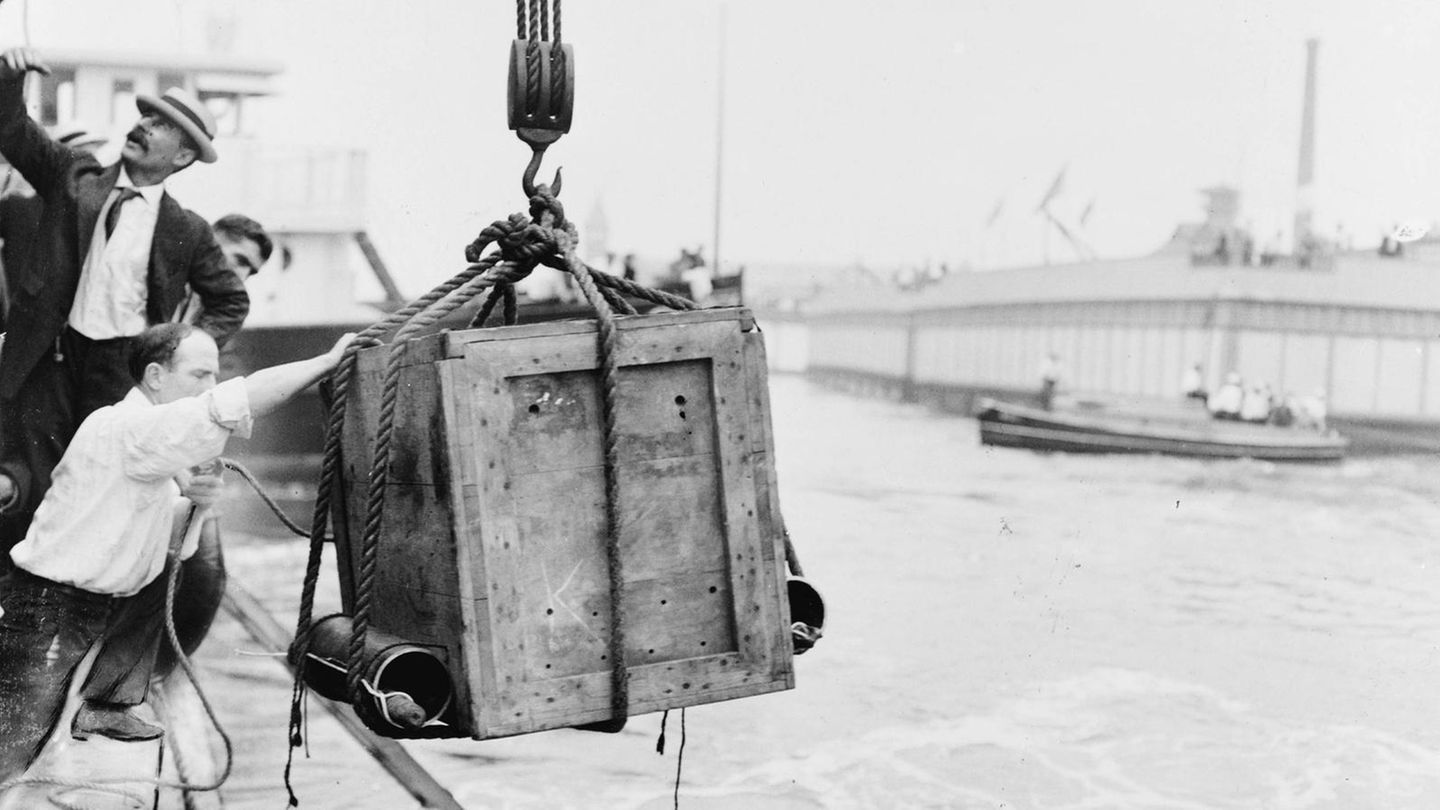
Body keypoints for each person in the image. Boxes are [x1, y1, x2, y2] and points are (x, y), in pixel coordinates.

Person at [0, 323, 355, 777]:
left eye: (213, 376)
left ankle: (107, 704)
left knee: (161, 578)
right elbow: (231, 404)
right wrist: (325, 363)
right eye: (200, 374)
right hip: (48, 605)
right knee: (18, 737)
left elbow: (177, 551)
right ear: (154, 376)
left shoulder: (158, 453)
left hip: (96, 601)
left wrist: (198, 505)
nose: (210, 386)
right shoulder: (126, 427)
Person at [0, 47, 248, 565]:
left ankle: (95, 591)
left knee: (109, 478)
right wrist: (9, 78)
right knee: (39, 473)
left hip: (121, 367)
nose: (144, 126)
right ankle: (30, 593)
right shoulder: (74, 177)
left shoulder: (187, 229)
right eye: (147, 116)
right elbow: (13, 131)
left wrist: (181, 349)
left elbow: (230, 299)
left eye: (162, 126)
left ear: (181, 157)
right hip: (54, 354)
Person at [172, 213, 273, 323]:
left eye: (251, 272)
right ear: (212, 242)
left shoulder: (216, 309)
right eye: (240, 260)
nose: (243, 277)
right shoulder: (165, 273)